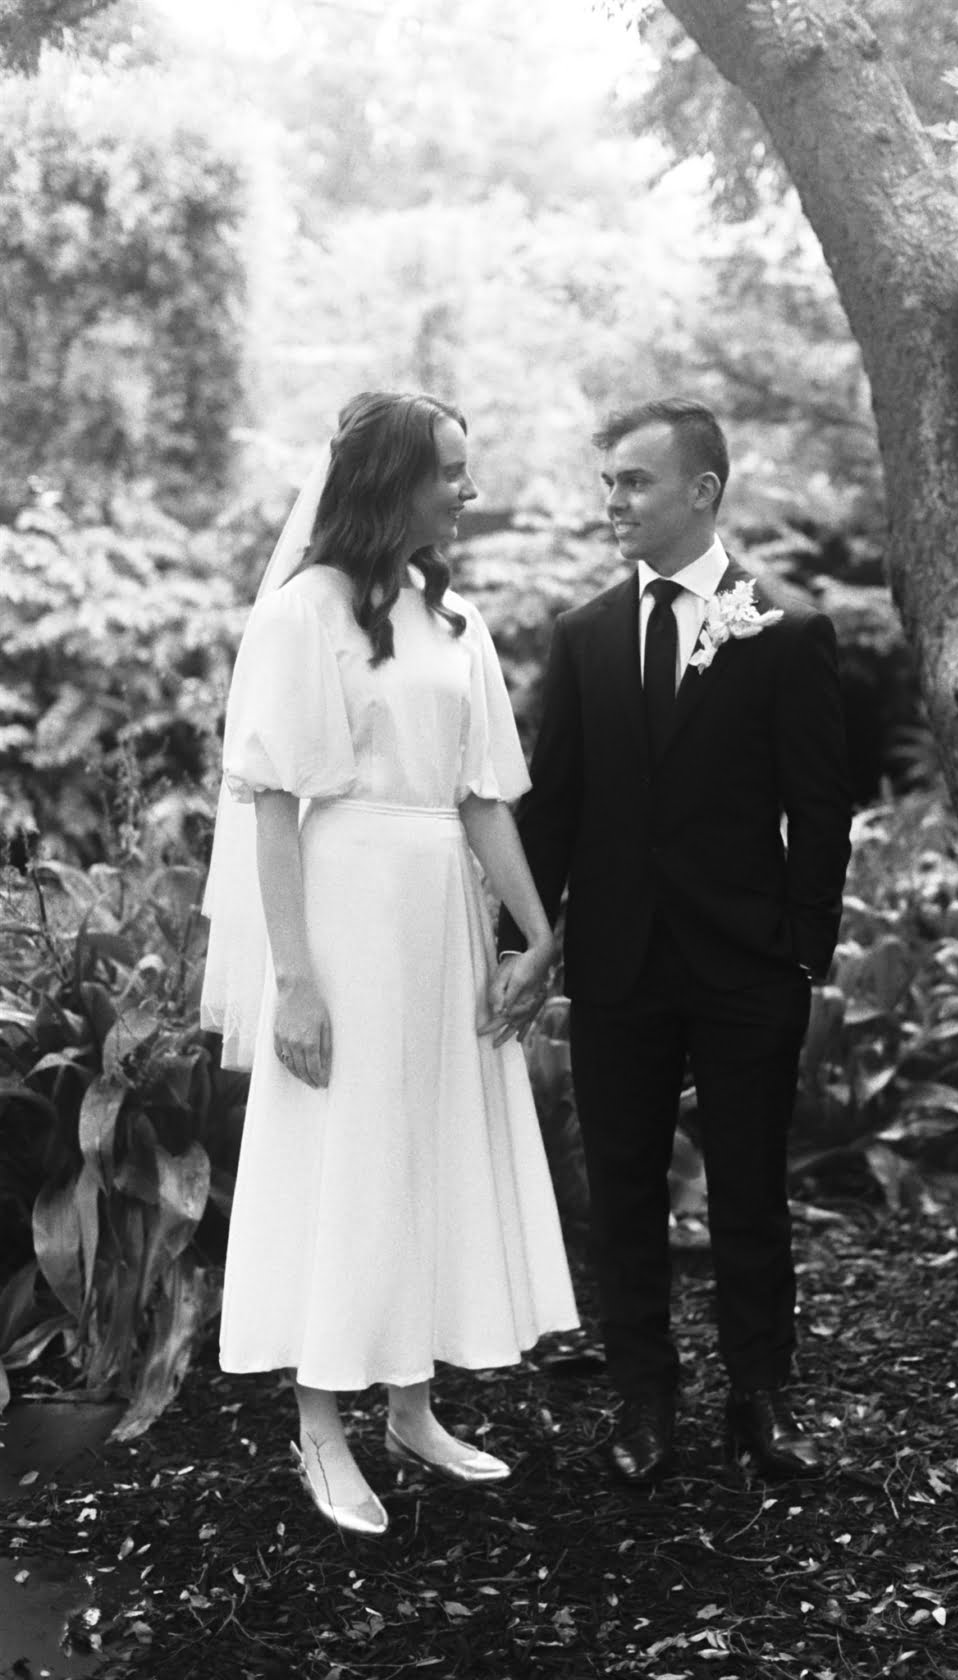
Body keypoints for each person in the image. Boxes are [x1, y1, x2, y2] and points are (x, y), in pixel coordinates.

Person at [200, 391, 578, 1537]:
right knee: (345, 1154)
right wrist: (294, 982)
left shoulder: (455, 620)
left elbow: (482, 798)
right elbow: (272, 803)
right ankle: (320, 1425)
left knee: (425, 1144)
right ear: (389, 480)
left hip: (438, 915)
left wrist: (537, 934)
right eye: (450, 470)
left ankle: (412, 1407)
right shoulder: (301, 614)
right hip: (342, 912)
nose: (469, 489)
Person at [496, 398, 852, 1485]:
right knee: (623, 1190)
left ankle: (761, 1398)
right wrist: (527, 942)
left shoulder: (785, 630)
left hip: (747, 964)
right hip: (619, 965)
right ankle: (643, 1400)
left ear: (703, 491)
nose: (614, 500)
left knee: (749, 1191)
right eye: (608, 481)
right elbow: (553, 807)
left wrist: (803, 951)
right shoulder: (584, 636)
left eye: (634, 481)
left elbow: (821, 809)